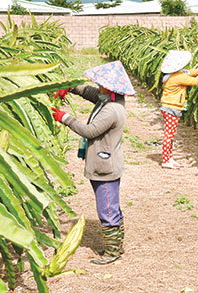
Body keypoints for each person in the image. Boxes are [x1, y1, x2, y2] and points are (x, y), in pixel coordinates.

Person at [51, 61, 135, 265]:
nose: (98, 86)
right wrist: (71, 87)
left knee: (107, 208)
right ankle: (115, 245)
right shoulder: (109, 99)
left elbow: (89, 131)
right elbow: (89, 92)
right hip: (104, 163)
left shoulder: (112, 110)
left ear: (110, 87)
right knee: (110, 205)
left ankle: (113, 251)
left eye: (101, 84)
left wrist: (65, 118)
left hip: (105, 168)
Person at [159, 50, 198, 169]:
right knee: (169, 135)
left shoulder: (173, 74)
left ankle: (169, 158)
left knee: (170, 134)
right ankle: (166, 160)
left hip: (169, 107)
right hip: (172, 108)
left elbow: (191, 72)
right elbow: (195, 81)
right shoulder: (178, 77)